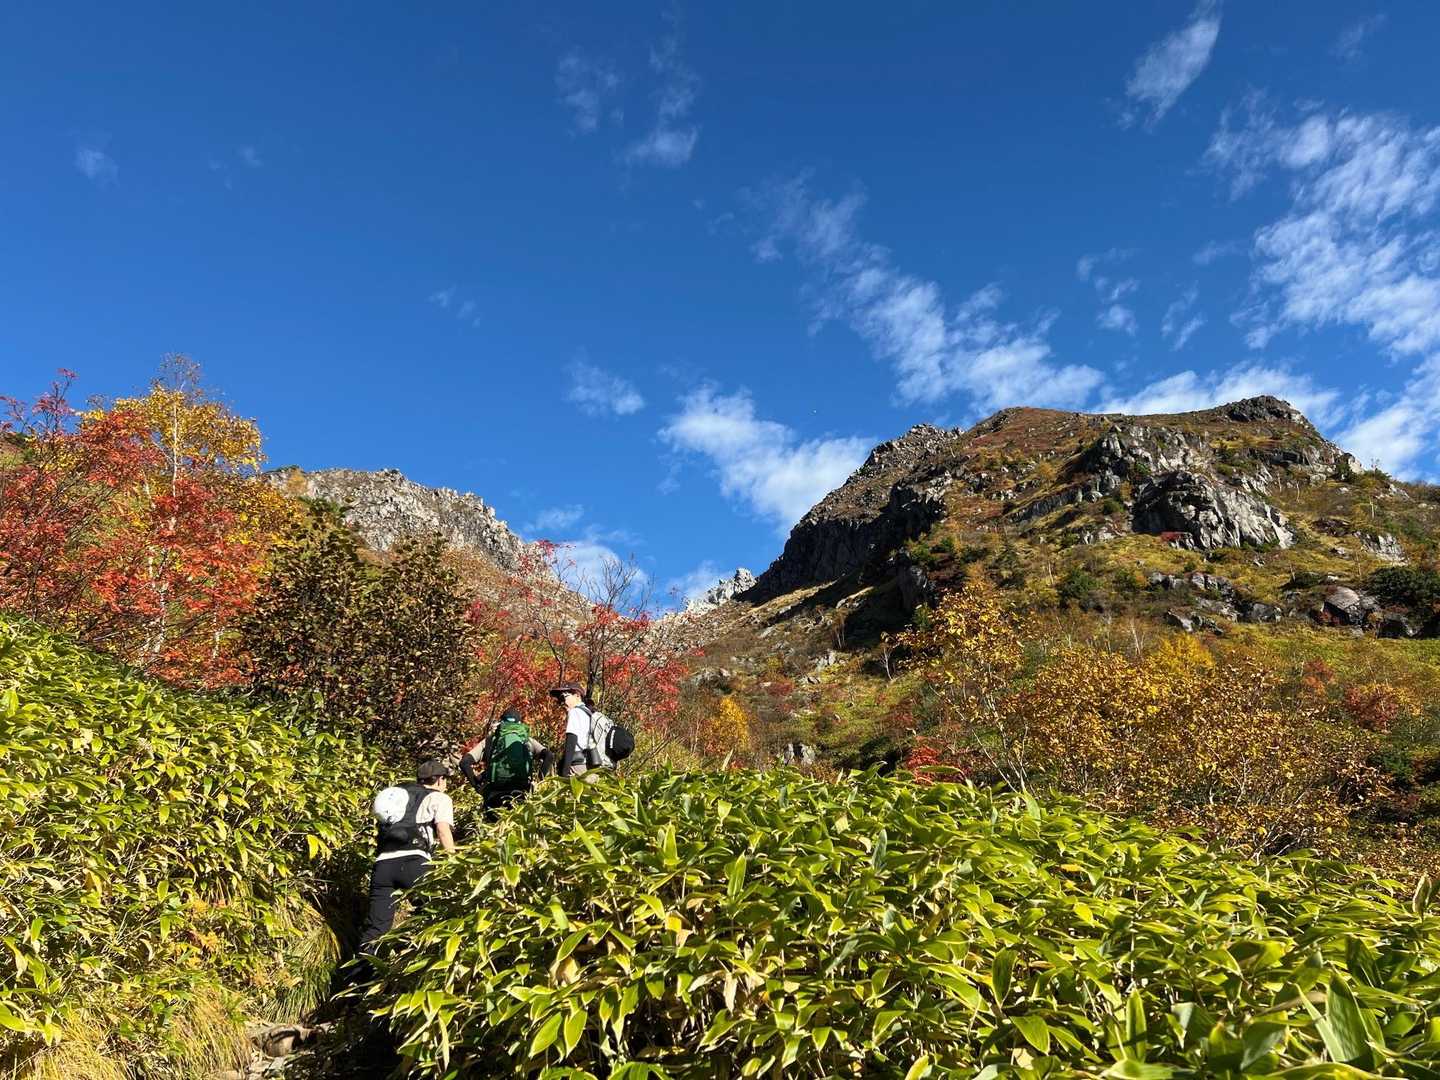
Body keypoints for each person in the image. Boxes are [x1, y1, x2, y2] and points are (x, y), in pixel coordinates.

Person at [358, 758, 456, 953]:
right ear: (438, 779)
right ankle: (412, 956)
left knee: (376, 928)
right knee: (433, 913)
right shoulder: (439, 798)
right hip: (415, 863)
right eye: (445, 779)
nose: (446, 784)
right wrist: (454, 862)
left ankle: (360, 970)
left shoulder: (397, 794)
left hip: (383, 866)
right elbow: (443, 831)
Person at [459, 707, 553, 815]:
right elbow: (549, 756)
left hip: (494, 797)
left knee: (494, 824)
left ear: (501, 722)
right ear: (519, 723)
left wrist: (478, 788)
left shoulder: (489, 741)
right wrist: (538, 781)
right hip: (522, 795)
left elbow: (464, 763)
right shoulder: (527, 741)